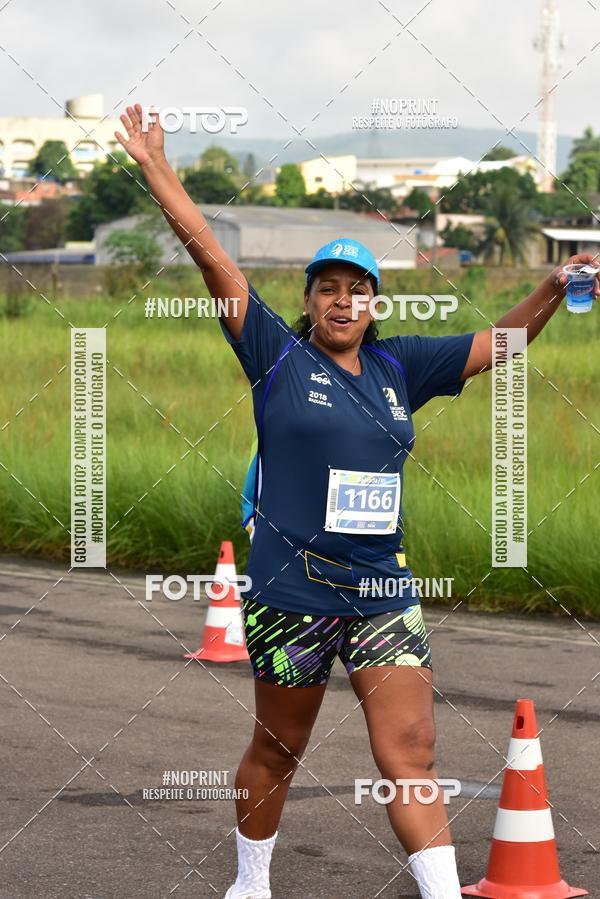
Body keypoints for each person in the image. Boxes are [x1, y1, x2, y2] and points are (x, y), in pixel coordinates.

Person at [115, 103, 599, 899]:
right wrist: (157, 169)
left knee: (411, 747)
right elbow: (209, 255)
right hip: (290, 591)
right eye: (328, 289)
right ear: (308, 301)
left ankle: (442, 894)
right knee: (278, 748)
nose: (343, 301)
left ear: (375, 302)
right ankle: (252, 882)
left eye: (358, 290)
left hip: (381, 588)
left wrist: (551, 286)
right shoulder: (272, 355)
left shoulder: (400, 368)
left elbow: (496, 347)